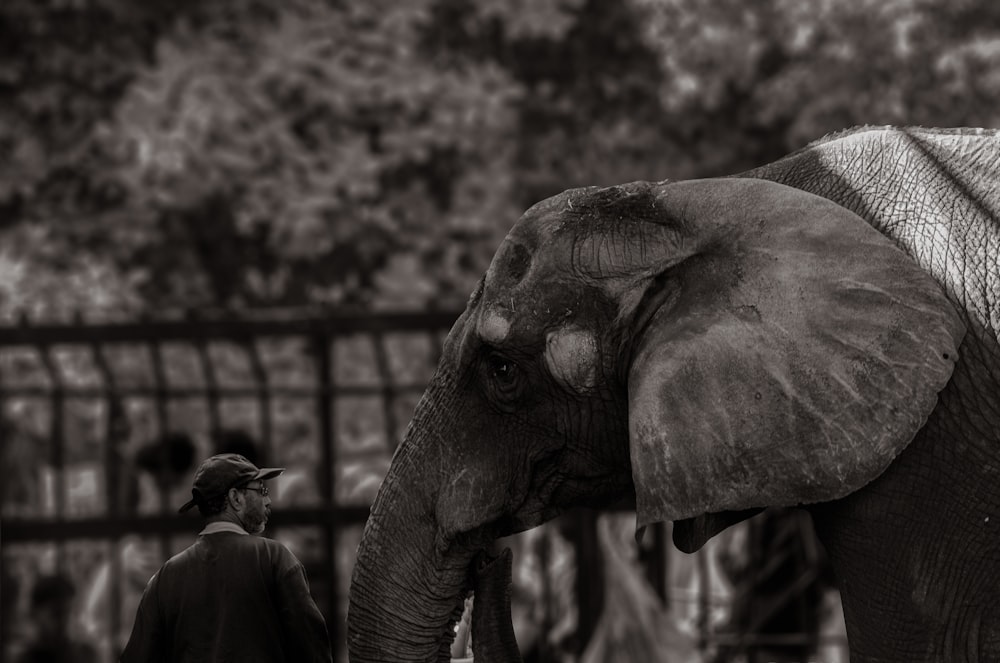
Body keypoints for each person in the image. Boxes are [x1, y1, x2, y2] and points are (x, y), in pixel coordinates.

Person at [120, 453, 332, 662]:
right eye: (261, 490)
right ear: (235, 498)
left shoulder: (166, 576)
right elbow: (312, 648)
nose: (267, 500)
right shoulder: (274, 558)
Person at [18, 572, 98, 663]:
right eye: (57, 614)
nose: (65, 621)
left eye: (70, 613)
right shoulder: (26, 660)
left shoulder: (86, 655)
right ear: (35, 614)